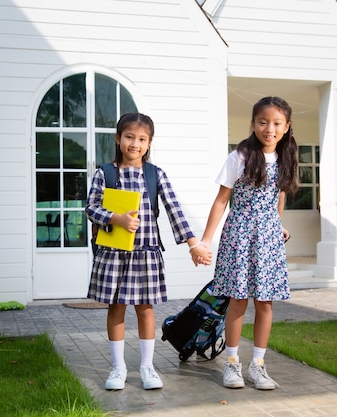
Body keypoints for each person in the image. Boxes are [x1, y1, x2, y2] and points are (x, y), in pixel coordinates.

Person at [86, 112, 212, 391]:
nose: (135, 144)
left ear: (149, 142)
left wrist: (193, 244)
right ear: (118, 139)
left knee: (145, 309)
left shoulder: (155, 175)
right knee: (116, 307)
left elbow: (174, 210)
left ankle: (147, 367)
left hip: (146, 253)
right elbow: (90, 207)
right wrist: (114, 218)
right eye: (129, 137)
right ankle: (118, 368)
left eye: (142, 139)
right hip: (113, 254)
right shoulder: (105, 173)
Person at [198, 96, 298, 390]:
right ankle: (231, 364)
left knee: (265, 302)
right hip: (240, 233)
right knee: (238, 300)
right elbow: (221, 201)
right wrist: (205, 240)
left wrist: (278, 225)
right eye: (263, 122)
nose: (269, 128)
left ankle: (258, 366)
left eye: (277, 123)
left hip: (268, 236)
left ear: (286, 126)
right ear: (253, 124)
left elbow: (280, 194)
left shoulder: (286, 157)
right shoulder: (239, 156)